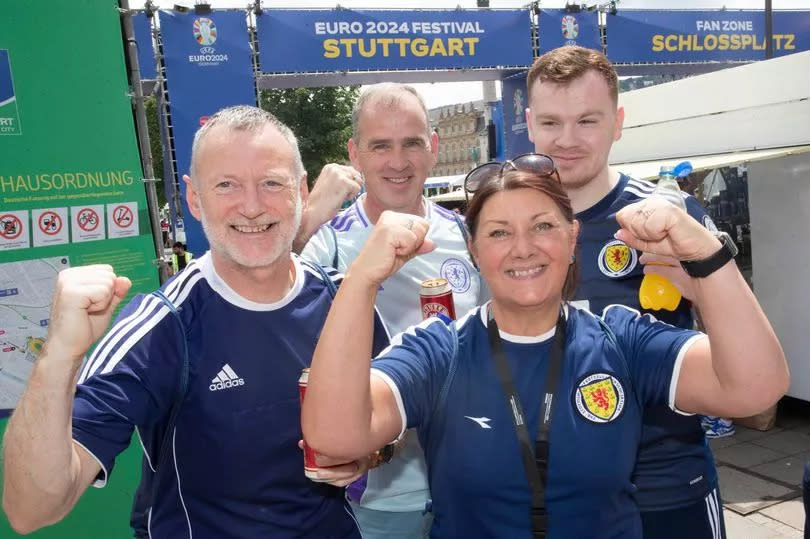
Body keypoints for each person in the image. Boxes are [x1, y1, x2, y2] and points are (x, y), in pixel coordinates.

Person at [300, 160, 788, 538]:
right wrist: (362, 280)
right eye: (498, 232)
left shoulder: (622, 339)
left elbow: (755, 387)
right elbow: (337, 436)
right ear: (473, 250)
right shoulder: (439, 350)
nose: (523, 248)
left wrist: (708, 258)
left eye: (543, 226)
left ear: (573, 237)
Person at [2, 105, 389, 538]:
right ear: (193, 199)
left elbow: (384, 423)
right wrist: (59, 356)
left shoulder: (345, 299)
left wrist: (368, 452)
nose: (252, 206)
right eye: (226, 185)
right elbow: (30, 510)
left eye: (272, 183)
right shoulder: (160, 327)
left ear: (301, 189)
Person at [524, 45, 735, 536]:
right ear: (530, 124)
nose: (568, 140)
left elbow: (742, 351)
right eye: (552, 122)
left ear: (618, 122)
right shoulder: (509, 225)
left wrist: (705, 289)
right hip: (555, 497)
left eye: (588, 121)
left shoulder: (673, 217)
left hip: (667, 489)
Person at [298, 83, 485, 538]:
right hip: (377, 497)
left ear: (433, 148)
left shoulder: (467, 234)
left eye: (412, 143)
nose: (398, 162)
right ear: (355, 154)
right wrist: (306, 221)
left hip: (471, 481)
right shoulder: (326, 243)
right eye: (380, 145)